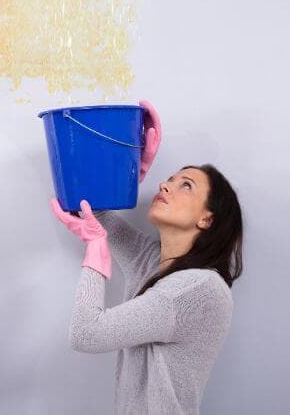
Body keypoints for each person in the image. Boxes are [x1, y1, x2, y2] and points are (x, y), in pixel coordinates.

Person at [50, 101, 242, 415]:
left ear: (207, 218)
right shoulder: (154, 263)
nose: (165, 185)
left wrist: (96, 251)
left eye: (186, 186)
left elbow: (86, 334)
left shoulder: (194, 289)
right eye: (170, 179)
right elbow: (92, 212)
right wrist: (123, 169)